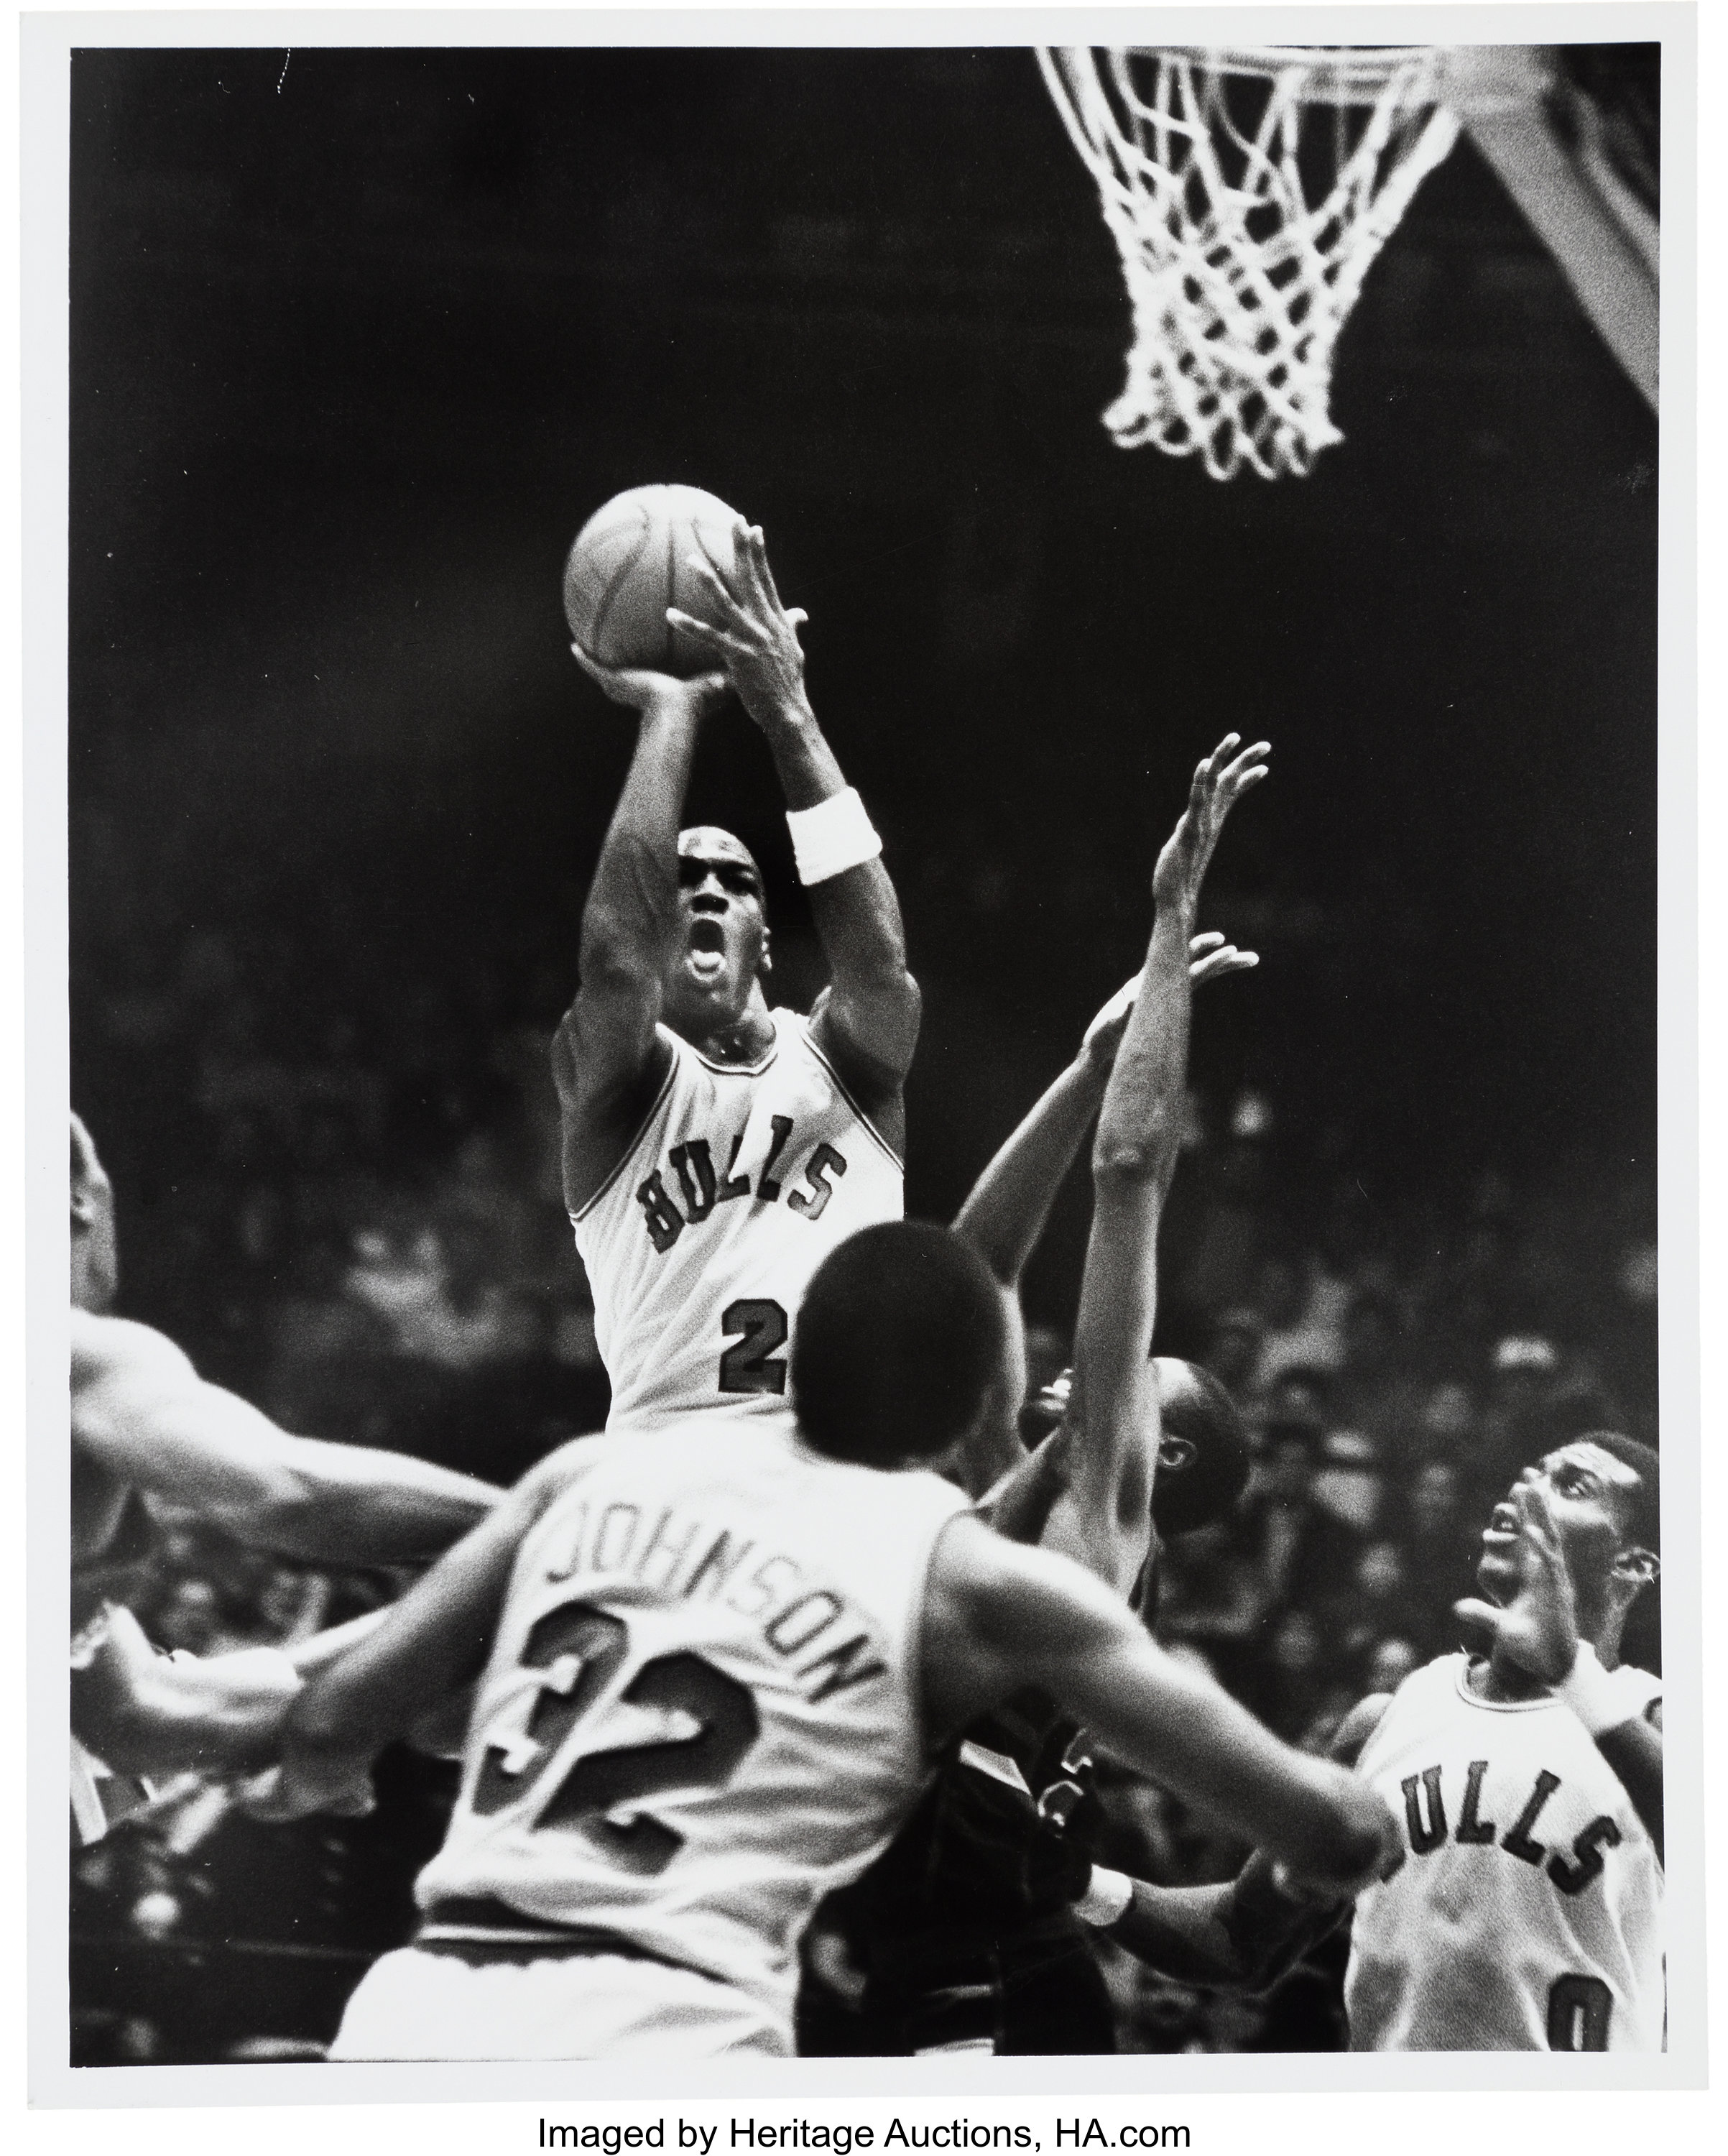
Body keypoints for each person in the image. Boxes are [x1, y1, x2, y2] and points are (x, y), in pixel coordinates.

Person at [251, 1220, 1398, 2062]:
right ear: (966, 1421)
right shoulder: (955, 1574)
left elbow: (329, 1718)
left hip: (421, 2006)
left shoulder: (595, 1474)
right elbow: (1338, 1834)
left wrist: (322, 1768)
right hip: (673, 2032)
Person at [831, 734, 1269, 2054]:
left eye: (1140, 1376)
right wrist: (1085, 1070)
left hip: (1000, 1974)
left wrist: (1168, 923)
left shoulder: (1099, 1517)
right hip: (901, 1932)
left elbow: (1132, 1175)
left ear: (1166, 1459)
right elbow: (971, 1274)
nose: (1095, 1366)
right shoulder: (998, 1494)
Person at [1072, 1433, 1665, 2053]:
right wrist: (1074, 1881)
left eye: (1570, 1485)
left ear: (1633, 1565)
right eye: (1530, 1471)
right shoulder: (1387, 1719)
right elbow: (1239, 1939)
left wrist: (1574, 1675)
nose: (1526, 1488)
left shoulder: (1653, 1717)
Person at [553, 519, 919, 1439]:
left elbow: (879, 964)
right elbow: (614, 961)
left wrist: (785, 713)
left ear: (762, 941)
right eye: (682, 881)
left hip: (835, 1474)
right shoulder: (613, 1085)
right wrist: (669, 716)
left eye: (736, 881)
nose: (707, 891)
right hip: (663, 1479)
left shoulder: (847, 1060)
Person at [70, 1112, 502, 1832]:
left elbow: (139, 1717)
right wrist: (555, 1524)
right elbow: (289, 1497)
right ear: (82, 1196)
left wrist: (427, 1643)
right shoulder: (61, 1352)